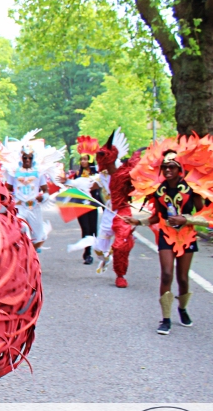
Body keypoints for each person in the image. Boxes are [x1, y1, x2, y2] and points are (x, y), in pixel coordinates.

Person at [123, 151, 207, 334]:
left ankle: (182, 309)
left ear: (179, 169)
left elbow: (205, 216)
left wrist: (186, 219)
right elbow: (156, 217)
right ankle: (166, 318)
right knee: (167, 274)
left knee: (183, 278)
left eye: (171, 167)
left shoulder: (192, 189)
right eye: (165, 167)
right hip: (166, 235)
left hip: (186, 236)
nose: (167, 170)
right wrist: (138, 222)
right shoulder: (159, 191)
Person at [90, 132, 137, 288]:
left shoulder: (125, 174)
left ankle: (120, 275)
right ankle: (107, 257)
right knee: (98, 249)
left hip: (123, 212)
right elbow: (90, 184)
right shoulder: (101, 175)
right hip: (108, 213)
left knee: (120, 245)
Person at [6, 147, 50, 250]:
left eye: (30, 158)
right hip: (19, 207)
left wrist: (43, 197)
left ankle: (32, 255)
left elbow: (46, 191)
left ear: (33, 159)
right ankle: (24, 255)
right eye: (25, 157)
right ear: (21, 158)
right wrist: (10, 198)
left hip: (33, 207)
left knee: (38, 237)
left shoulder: (39, 172)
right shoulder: (13, 172)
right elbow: (7, 189)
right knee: (21, 229)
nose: (27, 160)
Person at [69, 152, 99, 265]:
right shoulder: (77, 174)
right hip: (80, 205)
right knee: (85, 229)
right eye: (81, 159)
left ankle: (92, 251)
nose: (83, 161)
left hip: (92, 204)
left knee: (93, 230)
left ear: (90, 161)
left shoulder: (96, 174)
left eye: (85, 159)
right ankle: (87, 254)